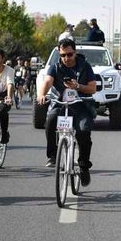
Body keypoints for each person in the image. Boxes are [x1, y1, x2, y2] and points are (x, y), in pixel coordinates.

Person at [37, 38, 97, 186]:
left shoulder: (85, 66)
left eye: (69, 54)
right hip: (61, 105)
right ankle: (52, 155)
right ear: (59, 53)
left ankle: (83, 166)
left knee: (83, 132)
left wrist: (77, 86)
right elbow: (47, 82)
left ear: (75, 52)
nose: (66, 58)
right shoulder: (55, 67)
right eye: (63, 55)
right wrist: (41, 94)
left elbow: (93, 88)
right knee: (50, 119)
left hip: (81, 106)